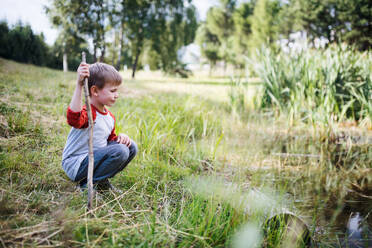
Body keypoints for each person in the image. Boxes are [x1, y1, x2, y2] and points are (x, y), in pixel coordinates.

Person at [62, 62, 138, 192]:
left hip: (94, 160)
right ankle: (87, 185)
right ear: (95, 91)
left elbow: (108, 141)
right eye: (113, 91)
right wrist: (79, 85)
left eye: (117, 90)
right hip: (77, 164)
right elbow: (73, 120)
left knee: (130, 147)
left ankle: (100, 181)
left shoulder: (109, 117)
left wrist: (121, 138)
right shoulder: (88, 112)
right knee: (121, 151)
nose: (116, 95)